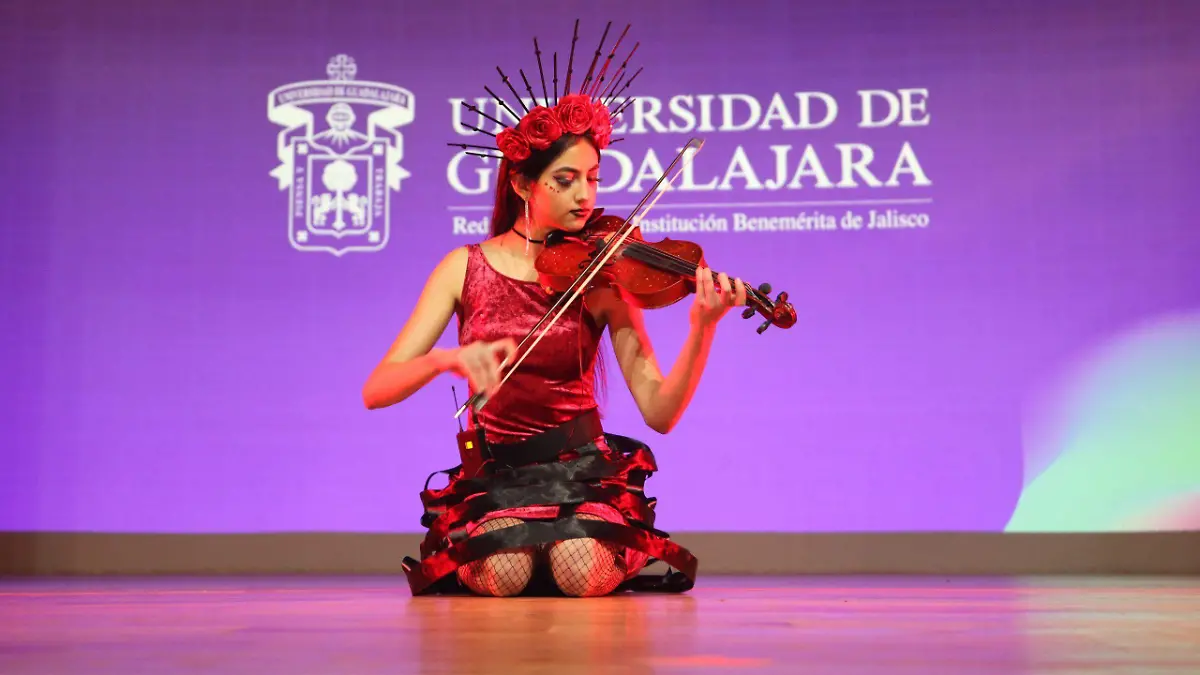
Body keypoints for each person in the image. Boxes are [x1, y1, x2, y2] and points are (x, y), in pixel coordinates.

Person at [362, 22, 746, 597]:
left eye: (592, 178)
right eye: (565, 181)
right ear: (523, 183)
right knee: (506, 572)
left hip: (582, 472)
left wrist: (702, 328)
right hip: (498, 476)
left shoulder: (603, 274)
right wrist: (448, 360)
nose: (585, 196)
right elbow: (377, 390)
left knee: (577, 566)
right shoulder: (463, 267)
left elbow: (660, 412)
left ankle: (586, 544)